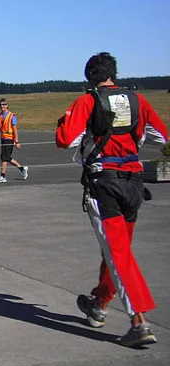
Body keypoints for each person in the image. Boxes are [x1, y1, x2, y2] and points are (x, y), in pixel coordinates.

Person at [56, 52, 168, 348]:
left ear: (89, 76)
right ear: (113, 73)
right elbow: (161, 136)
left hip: (105, 182)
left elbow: (67, 139)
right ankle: (100, 303)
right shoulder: (137, 100)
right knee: (118, 248)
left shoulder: (87, 101)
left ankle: (139, 322)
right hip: (134, 182)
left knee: (119, 254)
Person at [0, 98, 28, 183]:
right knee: (5, 157)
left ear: (7, 105)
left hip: (10, 139)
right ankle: (22, 169)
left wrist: (17, 141)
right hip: (3, 138)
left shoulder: (12, 116)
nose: (2, 106)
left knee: (4, 157)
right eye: (1, 105)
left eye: (4, 104)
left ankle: (3, 176)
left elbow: (15, 129)